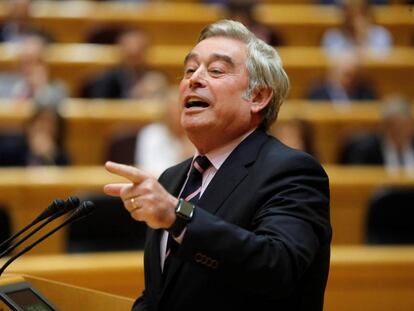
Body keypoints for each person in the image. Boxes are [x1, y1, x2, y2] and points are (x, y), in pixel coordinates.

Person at [104, 20, 331, 311]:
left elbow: (278, 267)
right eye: (189, 69)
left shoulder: (292, 171)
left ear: (258, 96)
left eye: (216, 71)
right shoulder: (174, 178)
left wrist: (178, 216)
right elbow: (160, 297)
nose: (194, 80)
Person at [340, 96, 414, 173]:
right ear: (386, 127)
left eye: (406, 126)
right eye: (396, 127)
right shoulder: (367, 151)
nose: (402, 131)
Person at [307, 51, 377, 104]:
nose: (349, 79)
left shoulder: (365, 94)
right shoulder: (317, 94)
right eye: (345, 74)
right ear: (333, 71)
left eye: (352, 74)